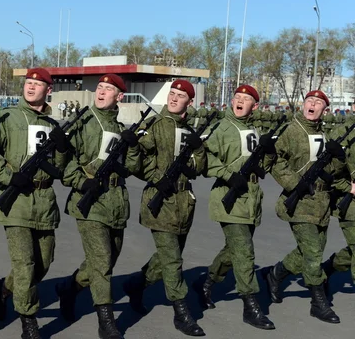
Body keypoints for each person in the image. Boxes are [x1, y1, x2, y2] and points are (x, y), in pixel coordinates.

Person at [0, 68, 70, 338]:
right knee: (25, 265)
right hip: (17, 201)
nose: (31, 88)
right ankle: (28, 321)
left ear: (49, 90)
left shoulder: (53, 126)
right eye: (28, 83)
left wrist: (64, 149)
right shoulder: (9, 117)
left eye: (37, 84)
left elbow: (61, 168)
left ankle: (3, 289)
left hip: (45, 201)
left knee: (43, 262)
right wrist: (9, 176)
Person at [57, 74, 141, 339]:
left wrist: (134, 146)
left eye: (109, 88)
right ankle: (106, 319)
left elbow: (132, 168)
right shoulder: (83, 121)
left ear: (120, 97)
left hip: (116, 201)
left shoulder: (119, 127)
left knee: (108, 258)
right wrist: (81, 182)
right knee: (102, 260)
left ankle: (70, 288)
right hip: (90, 201)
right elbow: (63, 160)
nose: (101, 91)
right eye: (99, 87)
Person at [123, 80, 207, 336]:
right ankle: (182, 312)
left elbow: (199, 168)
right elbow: (136, 164)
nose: (174, 98)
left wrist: (198, 148)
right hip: (160, 201)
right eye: (172, 93)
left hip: (184, 202)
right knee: (172, 259)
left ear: (189, 102)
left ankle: (137, 284)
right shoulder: (155, 125)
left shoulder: (190, 129)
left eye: (180, 95)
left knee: (166, 257)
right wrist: (158, 177)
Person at [195, 85, 276, 330]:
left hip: (251, 197)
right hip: (228, 195)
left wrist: (269, 151)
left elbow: (265, 165)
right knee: (244, 250)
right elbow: (205, 158)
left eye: (245, 99)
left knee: (234, 249)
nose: (239, 101)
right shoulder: (220, 127)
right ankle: (251, 305)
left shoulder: (255, 129)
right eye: (237, 97)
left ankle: (207, 282)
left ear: (255, 106)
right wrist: (228, 175)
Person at [266, 90, 351, 324]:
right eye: (309, 101)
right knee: (313, 253)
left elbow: (332, 172)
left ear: (325, 110)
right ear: (303, 105)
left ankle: (277, 273)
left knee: (308, 251)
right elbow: (273, 159)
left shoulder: (324, 134)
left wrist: (338, 158)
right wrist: (294, 183)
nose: (312, 105)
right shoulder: (292, 131)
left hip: (322, 203)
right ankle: (318, 302)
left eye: (318, 103)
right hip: (300, 202)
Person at [323, 121, 355, 291]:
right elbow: (328, 168)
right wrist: (348, 187)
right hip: (350, 201)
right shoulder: (341, 133)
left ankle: (327, 268)